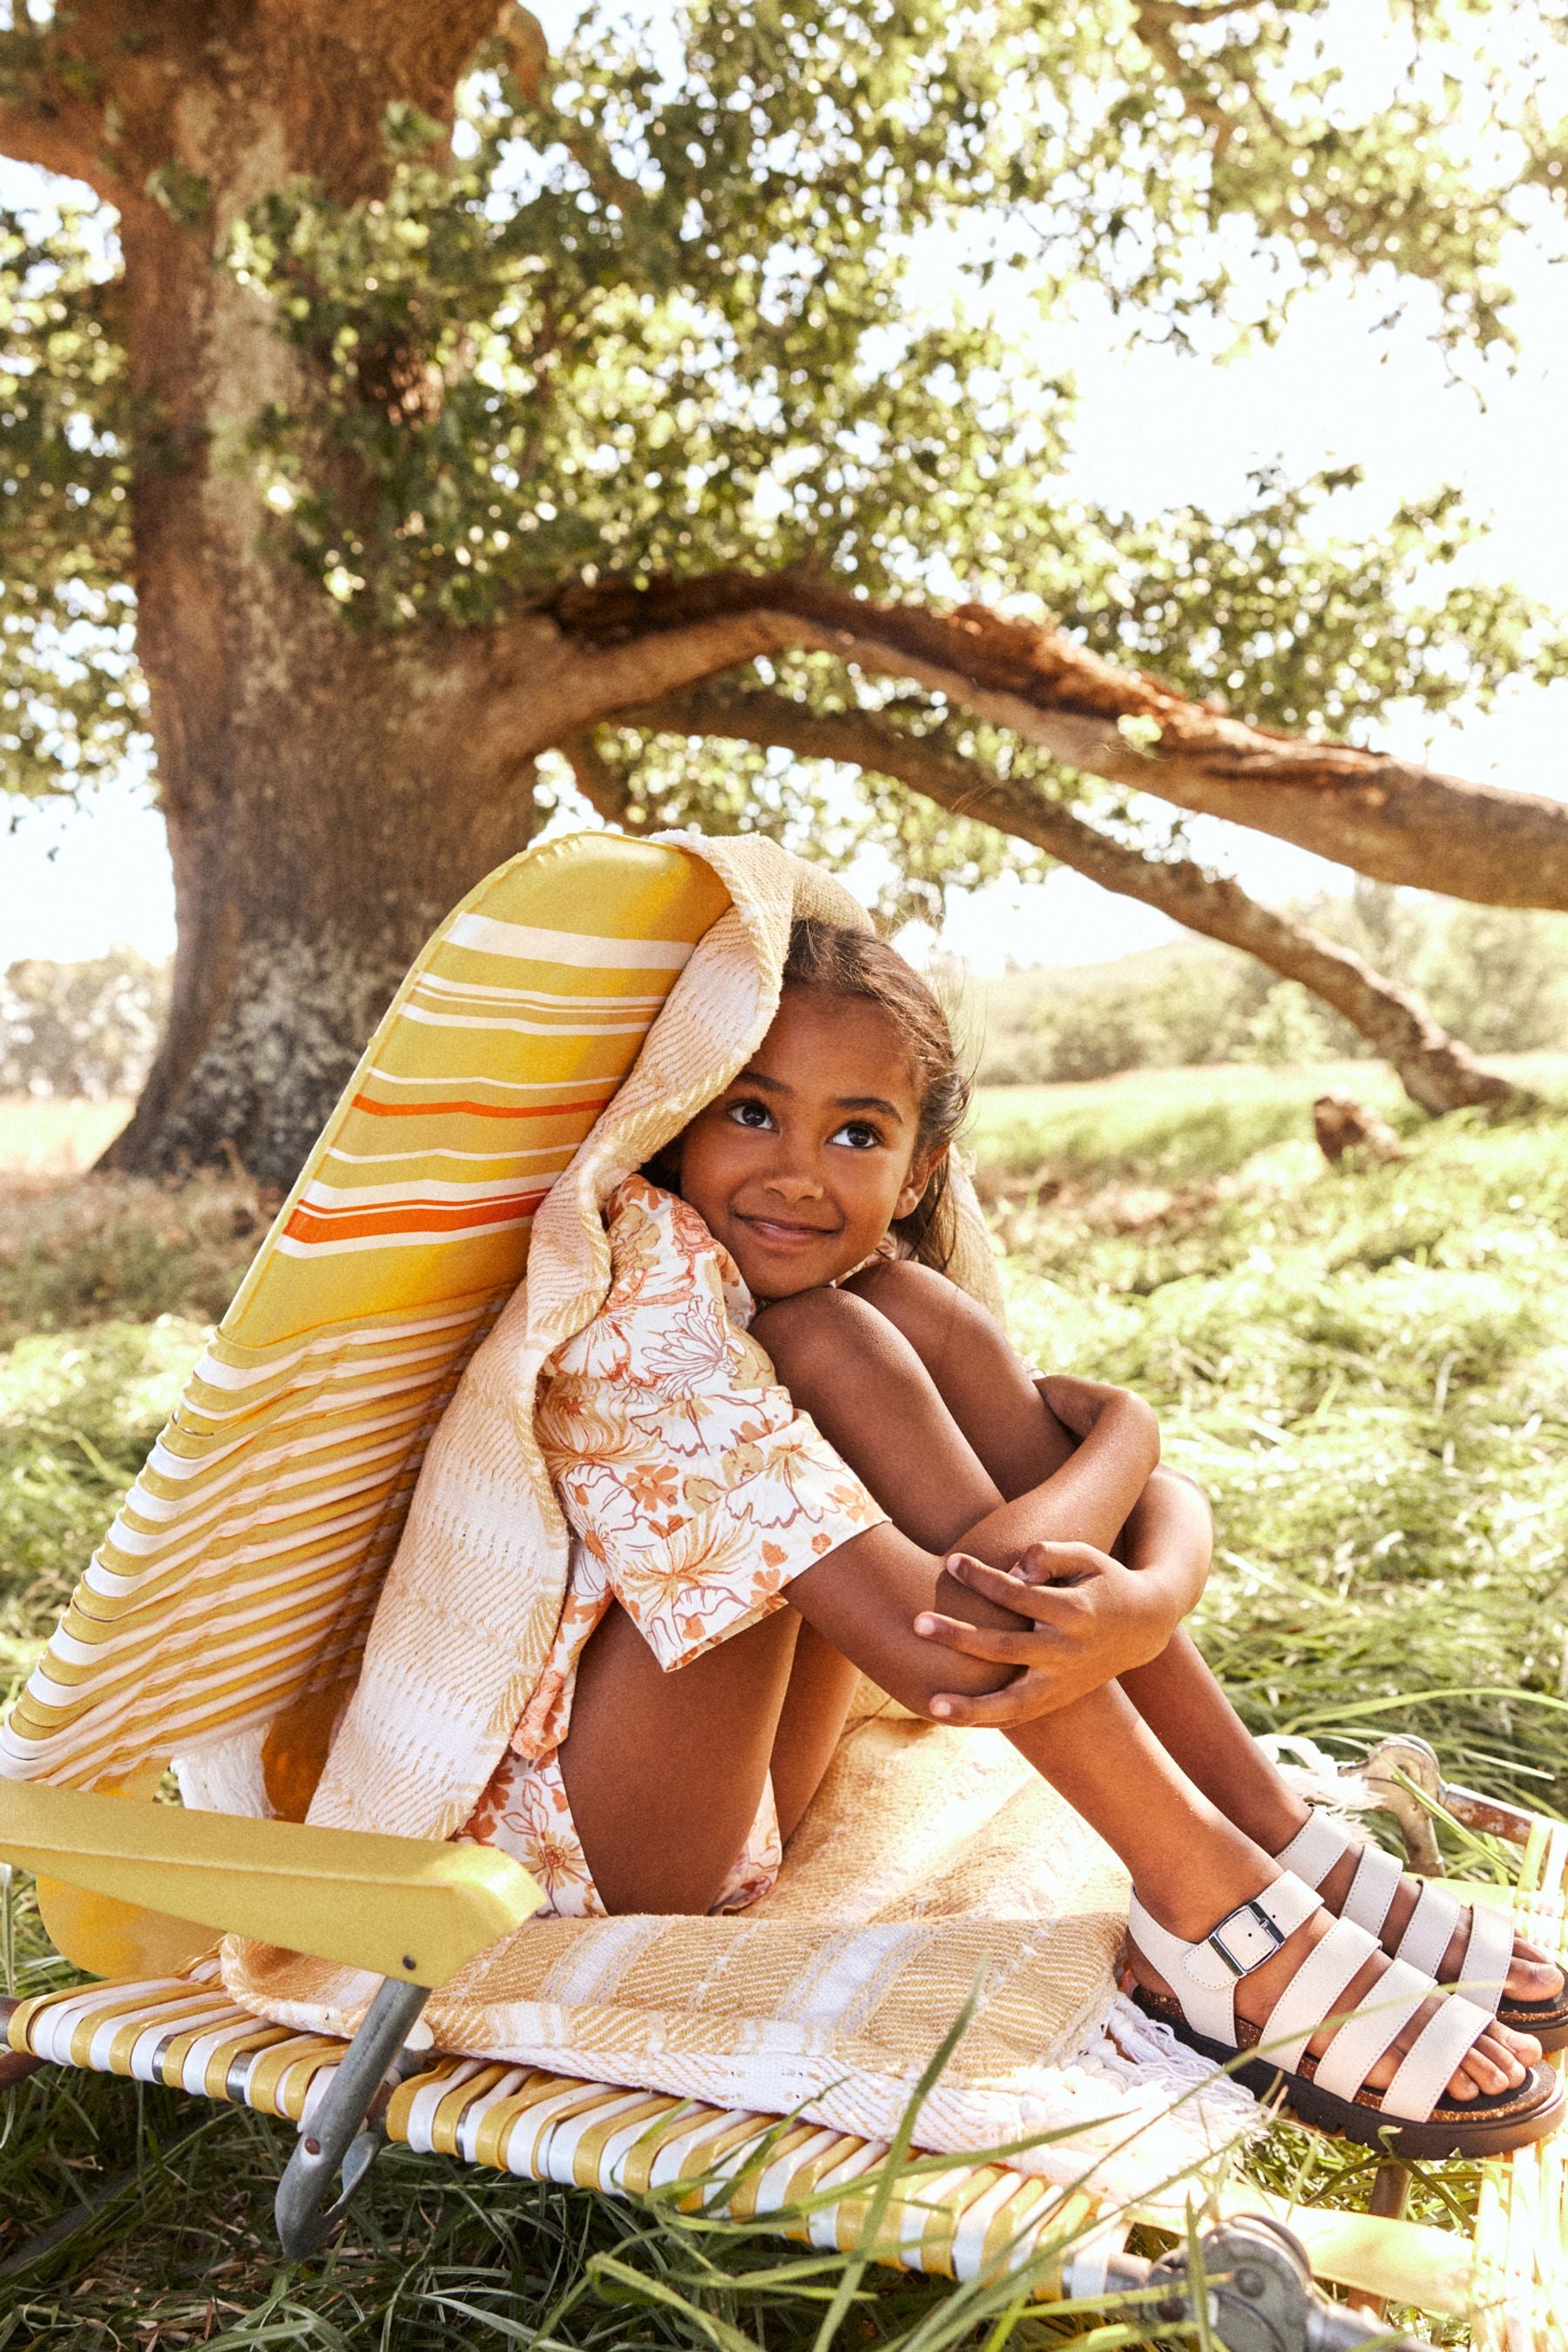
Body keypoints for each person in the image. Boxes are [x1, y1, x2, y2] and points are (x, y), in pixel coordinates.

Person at [461, 917, 1565, 2156]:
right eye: (753, 1114)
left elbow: (1039, 1548)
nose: (798, 1173)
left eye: (857, 1132)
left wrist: (1144, 1531)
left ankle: (1261, 1827)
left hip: (746, 1793)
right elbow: (957, 1652)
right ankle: (1213, 1910)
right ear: (677, 1117)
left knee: (890, 1311)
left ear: (920, 1172)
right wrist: (1133, 1455)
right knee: (836, 1343)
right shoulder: (643, 1295)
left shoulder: (849, 1286)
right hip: (592, 1851)